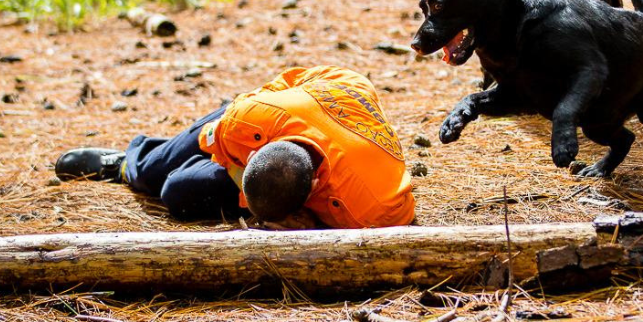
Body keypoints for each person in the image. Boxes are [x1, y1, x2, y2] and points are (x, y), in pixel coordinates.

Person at [55, 65, 415, 229]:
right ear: (254, 154)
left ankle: (158, 173)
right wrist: (237, 160)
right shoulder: (245, 122)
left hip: (295, 149)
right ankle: (128, 164)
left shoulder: (367, 210)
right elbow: (211, 140)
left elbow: (400, 220)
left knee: (176, 193)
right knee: (154, 172)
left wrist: (314, 228)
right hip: (265, 115)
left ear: (315, 188)